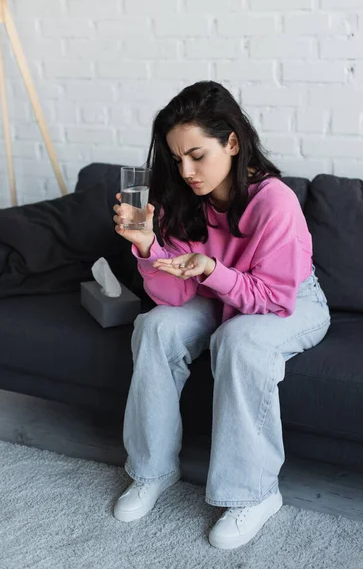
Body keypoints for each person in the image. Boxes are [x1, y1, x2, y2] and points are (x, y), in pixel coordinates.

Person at [112, 81, 331, 550]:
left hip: (292, 299)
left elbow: (273, 296)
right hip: (218, 294)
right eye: (177, 159)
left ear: (232, 142)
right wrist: (148, 247)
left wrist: (212, 269)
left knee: (240, 340)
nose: (187, 170)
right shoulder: (183, 201)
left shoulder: (274, 202)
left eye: (197, 155)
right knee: (154, 326)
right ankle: (153, 470)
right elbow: (172, 296)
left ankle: (254, 493)